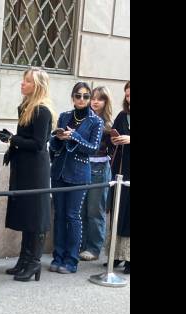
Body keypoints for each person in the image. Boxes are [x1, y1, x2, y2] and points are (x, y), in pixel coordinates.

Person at [0, 66, 56, 282]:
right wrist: (11, 140)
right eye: (24, 80)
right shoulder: (26, 107)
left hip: (35, 170)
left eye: (28, 81)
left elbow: (39, 144)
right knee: (26, 214)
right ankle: (24, 259)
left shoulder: (42, 110)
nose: (23, 84)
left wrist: (12, 139)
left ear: (37, 86)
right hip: (24, 167)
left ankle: (34, 262)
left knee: (35, 215)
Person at [49, 82, 103, 274]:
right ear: (72, 97)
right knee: (59, 216)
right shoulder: (64, 117)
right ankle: (58, 256)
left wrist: (74, 137)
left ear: (89, 99)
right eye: (78, 96)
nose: (81, 99)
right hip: (59, 172)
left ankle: (71, 260)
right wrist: (57, 138)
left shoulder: (95, 121)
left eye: (85, 96)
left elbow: (93, 148)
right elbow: (54, 147)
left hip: (79, 173)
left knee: (73, 216)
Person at [79, 86, 114, 261]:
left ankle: (93, 248)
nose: (95, 101)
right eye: (93, 98)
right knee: (82, 209)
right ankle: (82, 245)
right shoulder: (84, 119)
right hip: (82, 166)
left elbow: (114, 151)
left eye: (99, 99)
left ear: (105, 102)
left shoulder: (108, 125)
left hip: (100, 168)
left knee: (95, 210)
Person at [106, 81, 130, 274]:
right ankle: (116, 254)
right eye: (128, 95)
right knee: (118, 209)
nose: (129, 98)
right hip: (122, 169)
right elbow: (112, 138)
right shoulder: (123, 115)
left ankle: (129, 257)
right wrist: (115, 138)